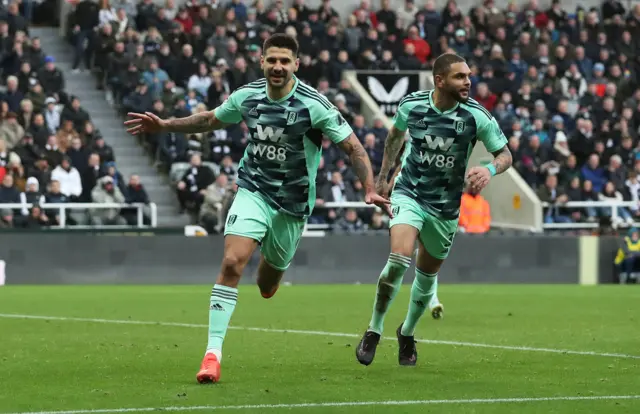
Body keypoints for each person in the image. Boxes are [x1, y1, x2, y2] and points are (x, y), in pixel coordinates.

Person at [124, 33, 391, 384]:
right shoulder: (247, 97)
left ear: (296, 64)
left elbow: (354, 149)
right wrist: (165, 126)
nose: (277, 67)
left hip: (293, 206)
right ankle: (212, 355)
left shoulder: (314, 106)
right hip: (254, 190)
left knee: (267, 284)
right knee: (233, 261)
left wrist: (369, 188)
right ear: (261, 61)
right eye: (272, 60)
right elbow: (209, 120)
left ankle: (270, 265)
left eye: (285, 61)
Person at [356, 53, 512, 367]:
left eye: (468, 75)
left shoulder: (476, 116)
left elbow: (505, 154)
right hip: (409, 193)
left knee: (427, 276)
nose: (467, 81)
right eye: (459, 76)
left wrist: (490, 171)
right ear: (439, 81)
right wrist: (385, 177)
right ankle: (374, 327)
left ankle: (407, 332)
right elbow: (395, 137)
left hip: (445, 206)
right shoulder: (411, 105)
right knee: (399, 259)